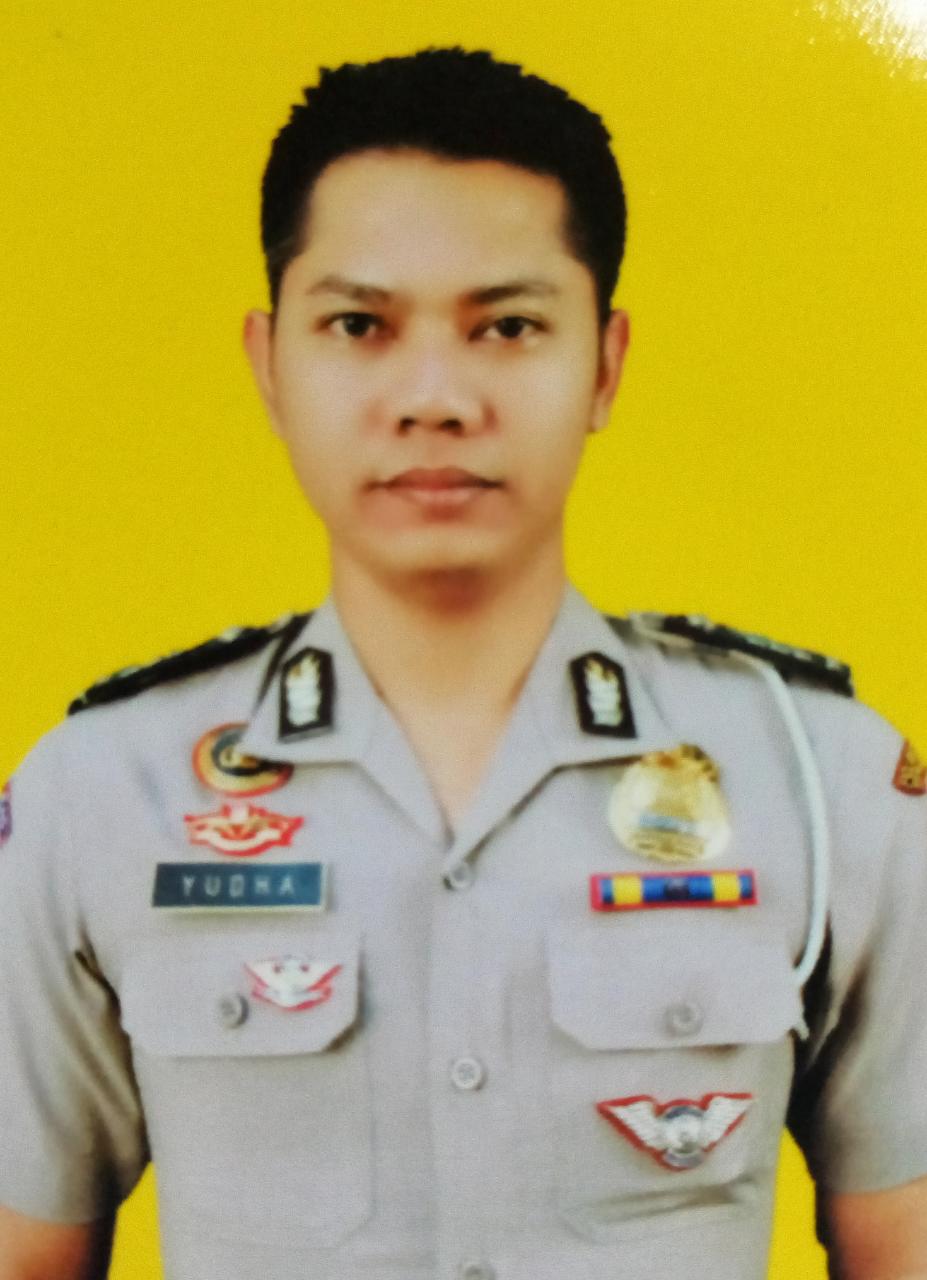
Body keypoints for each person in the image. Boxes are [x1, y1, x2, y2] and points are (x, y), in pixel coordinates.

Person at [0, 45, 925, 1280]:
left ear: (604, 363)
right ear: (270, 364)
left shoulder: (821, 781)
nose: (434, 397)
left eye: (508, 326)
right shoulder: (102, 794)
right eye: (360, 325)